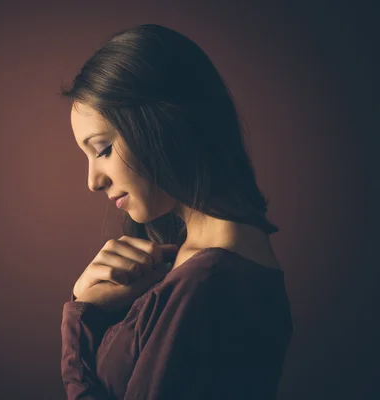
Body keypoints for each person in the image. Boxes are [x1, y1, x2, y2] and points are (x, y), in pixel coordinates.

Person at [59, 24, 293, 399]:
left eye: (102, 149)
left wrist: (81, 320)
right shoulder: (189, 264)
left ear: (163, 127)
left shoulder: (207, 284)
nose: (93, 181)